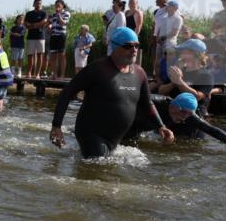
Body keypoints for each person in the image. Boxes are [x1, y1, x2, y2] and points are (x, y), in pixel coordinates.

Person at [50, 27, 174, 158]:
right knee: (98, 170)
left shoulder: (139, 73)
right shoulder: (98, 69)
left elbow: (147, 102)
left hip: (116, 137)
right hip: (92, 133)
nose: (134, 50)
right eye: (128, 46)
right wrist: (56, 126)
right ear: (115, 47)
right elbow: (67, 93)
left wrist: (161, 126)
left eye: (136, 46)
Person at [126, 93, 226, 146]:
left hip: (139, 131)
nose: (184, 117)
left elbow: (212, 130)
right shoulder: (154, 103)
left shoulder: (187, 115)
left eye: (189, 114)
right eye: (183, 112)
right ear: (174, 105)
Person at [157, 38, 215, 114]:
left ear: (196, 54)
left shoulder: (206, 76)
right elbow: (161, 91)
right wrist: (173, 83)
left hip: (194, 116)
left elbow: (197, 97)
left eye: (184, 52)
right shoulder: (179, 71)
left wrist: (179, 81)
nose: (181, 55)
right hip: (173, 113)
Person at [47, 0, 70, 78]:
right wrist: (49, 26)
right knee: (53, 56)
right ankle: (54, 74)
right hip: (53, 36)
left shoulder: (66, 13)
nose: (57, 7)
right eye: (56, 5)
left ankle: (62, 75)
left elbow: (63, 23)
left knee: (62, 56)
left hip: (61, 36)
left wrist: (59, 14)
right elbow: (50, 24)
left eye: (58, 6)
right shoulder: (53, 14)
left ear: (62, 6)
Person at [24, 0, 47, 78]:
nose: (38, 5)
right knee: (30, 55)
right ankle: (29, 73)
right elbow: (26, 24)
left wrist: (32, 25)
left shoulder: (44, 13)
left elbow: (44, 22)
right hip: (30, 37)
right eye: (36, 3)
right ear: (33, 4)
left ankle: (37, 74)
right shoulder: (29, 13)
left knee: (40, 55)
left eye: (40, 3)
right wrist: (36, 25)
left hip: (40, 37)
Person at [158, 0, 183, 68]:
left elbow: (174, 33)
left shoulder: (178, 18)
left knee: (168, 63)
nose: (166, 7)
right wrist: (158, 38)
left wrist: (162, 38)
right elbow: (160, 29)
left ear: (175, 8)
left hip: (170, 44)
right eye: (167, 6)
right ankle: (159, 77)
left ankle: (168, 77)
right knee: (159, 61)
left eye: (168, 6)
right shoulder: (164, 17)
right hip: (160, 42)